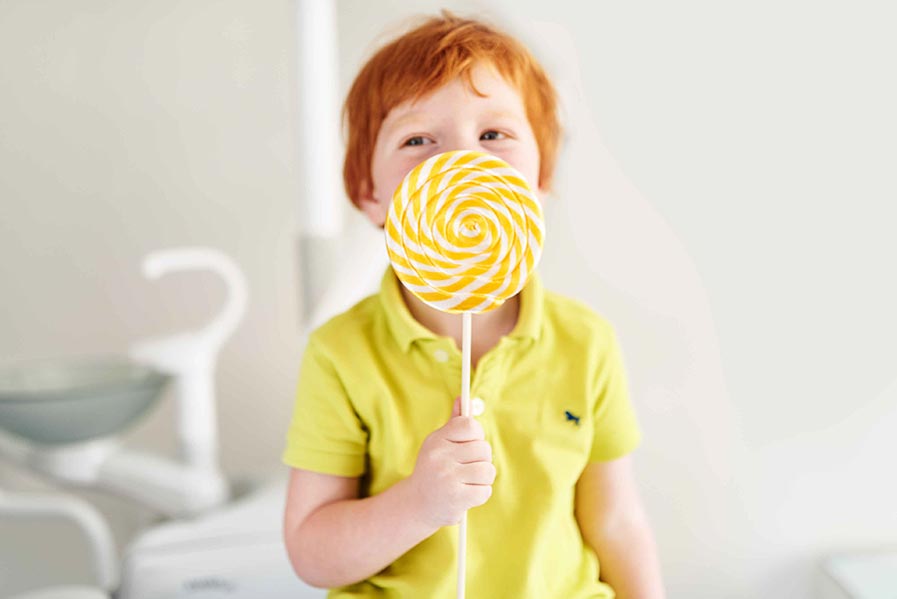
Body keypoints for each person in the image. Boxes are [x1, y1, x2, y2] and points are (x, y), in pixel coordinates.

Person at [282, 11, 665, 598]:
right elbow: (312, 553)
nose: (460, 162)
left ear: (539, 178)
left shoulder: (586, 343)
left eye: (493, 135)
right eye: (418, 140)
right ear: (370, 195)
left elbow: (615, 521)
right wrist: (419, 503)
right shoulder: (341, 352)